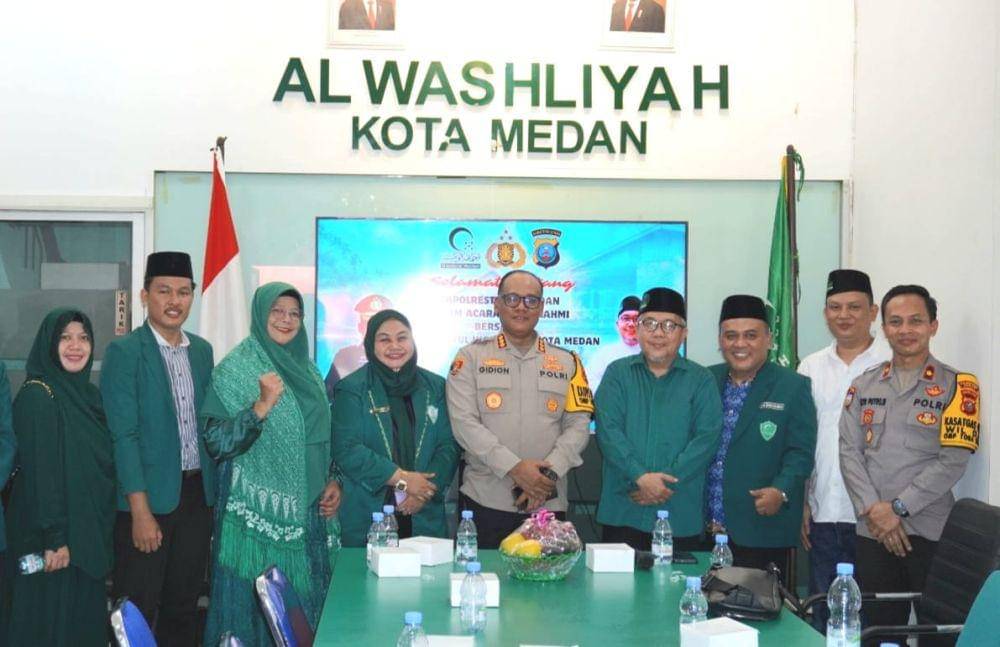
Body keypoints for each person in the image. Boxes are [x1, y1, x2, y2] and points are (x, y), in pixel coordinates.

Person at [201, 282, 342, 646]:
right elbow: (216, 443)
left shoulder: (309, 370)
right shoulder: (236, 368)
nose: (286, 319)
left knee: (306, 614)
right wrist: (261, 406)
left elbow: (321, 437)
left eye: (294, 313)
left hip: (312, 516)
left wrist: (333, 479)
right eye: (277, 311)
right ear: (261, 314)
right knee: (263, 615)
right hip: (260, 520)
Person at [840, 285, 977, 647]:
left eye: (915, 321)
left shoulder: (958, 387)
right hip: (873, 531)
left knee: (937, 633)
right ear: (884, 328)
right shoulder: (863, 385)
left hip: (930, 531)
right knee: (879, 632)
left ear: (933, 326)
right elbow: (849, 452)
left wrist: (897, 509)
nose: (905, 330)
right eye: (895, 322)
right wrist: (875, 511)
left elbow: (953, 460)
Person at [101, 251, 216, 646]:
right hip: (147, 500)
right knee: (137, 608)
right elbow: (124, 435)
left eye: (183, 292)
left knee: (184, 607)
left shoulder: (201, 351)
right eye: (164, 290)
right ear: (144, 295)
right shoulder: (125, 352)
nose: (174, 301)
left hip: (196, 497)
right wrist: (139, 511)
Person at [446, 270, 594, 549]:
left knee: (550, 577)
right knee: (483, 576)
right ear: (497, 304)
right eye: (512, 298)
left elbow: (579, 424)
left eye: (531, 300)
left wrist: (546, 478)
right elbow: (464, 423)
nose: (521, 307)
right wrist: (515, 469)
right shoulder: (470, 357)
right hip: (486, 501)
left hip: (548, 501)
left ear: (542, 307)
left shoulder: (568, 362)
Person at [3, 309, 115, 646]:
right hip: (51, 546)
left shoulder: (89, 397)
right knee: (49, 627)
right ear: (49, 344)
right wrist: (55, 539)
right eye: (65, 338)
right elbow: (43, 475)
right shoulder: (38, 396)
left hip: (86, 539)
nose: (75, 346)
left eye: (83, 338)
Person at [797, 269, 890, 632]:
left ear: (873, 312)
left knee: (874, 619)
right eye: (835, 307)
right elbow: (804, 438)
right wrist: (804, 499)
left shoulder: (890, 363)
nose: (844, 315)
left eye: (854, 306)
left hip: (874, 516)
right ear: (825, 313)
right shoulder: (810, 366)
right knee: (825, 614)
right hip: (824, 511)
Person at [595, 288, 722, 551]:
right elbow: (608, 432)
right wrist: (640, 476)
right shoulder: (617, 374)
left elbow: (706, 440)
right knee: (617, 580)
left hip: (679, 513)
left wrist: (662, 483)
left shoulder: (701, 380)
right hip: (624, 509)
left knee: (679, 579)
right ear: (638, 329)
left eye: (669, 325)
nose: (658, 333)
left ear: (684, 333)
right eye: (649, 323)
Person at [705, 295, 816, 586]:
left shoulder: (793, 386)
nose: (740, 344)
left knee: (757, 610)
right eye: (731, 335)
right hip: (704, 529)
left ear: (768, 339)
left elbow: (800, 453)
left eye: (751, 335)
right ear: (720, 340)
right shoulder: (705, 380)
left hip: (760, 526)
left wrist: (781, 491)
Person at [332, 309, 460, 546]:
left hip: (424, 510)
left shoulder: (435, 386)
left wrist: (424, 491)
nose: (395, 346)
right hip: (369, 510)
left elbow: (448, 445)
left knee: (426, 570)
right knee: (368, 570)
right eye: (384, 340)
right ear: (370, 345)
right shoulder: (352, 389)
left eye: (402, 338)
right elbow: (347, 448)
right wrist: (403, 481)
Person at [324, 293, 392, 398]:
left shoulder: (400, 357)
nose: (376, 330)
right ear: (360, 327)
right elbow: (328, 395)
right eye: (369, 324)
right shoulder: (345, 356)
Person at [587, 295, 642, 388]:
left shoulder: (655, 354)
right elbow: (589, 382)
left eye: (636, 319)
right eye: (626, 318)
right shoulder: (604, 355)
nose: (631, 324)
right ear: (617, 325)